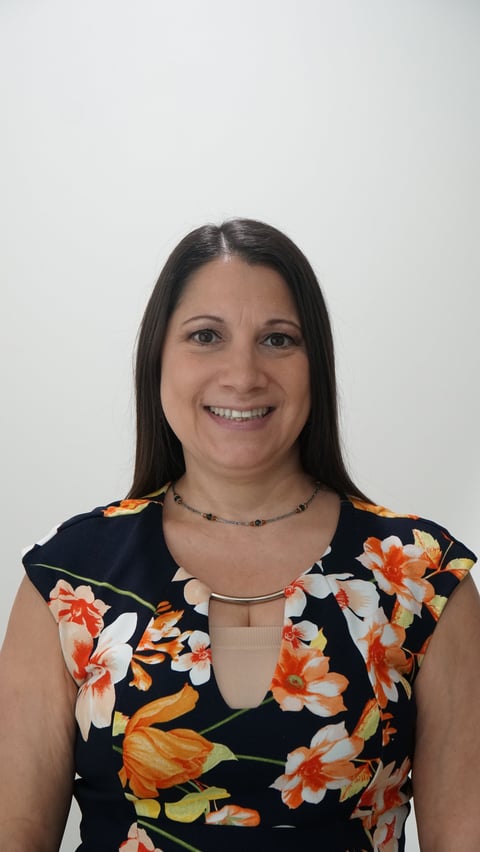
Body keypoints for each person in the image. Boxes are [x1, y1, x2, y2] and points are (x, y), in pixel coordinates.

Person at [0, 218, 479, 852]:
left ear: (316, 365)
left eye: (278, 339)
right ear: (158, 359)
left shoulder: (422, 579)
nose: (243, 374)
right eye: (206, 336)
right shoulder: (69, 582)